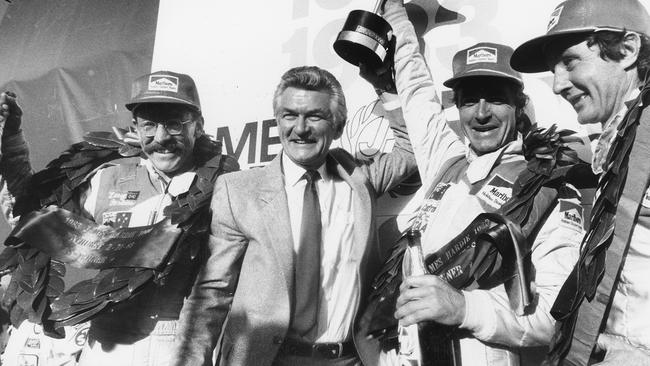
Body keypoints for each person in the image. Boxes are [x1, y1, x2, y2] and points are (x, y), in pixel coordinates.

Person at [359, 1, 591, 365]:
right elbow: (416, 89)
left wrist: (465, 308)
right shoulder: (447, 161)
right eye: (469, 101)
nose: (481, 113)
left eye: (496, 99)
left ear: (519, 105)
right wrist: (396, 16)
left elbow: (557, 317)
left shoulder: (547, 188)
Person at [171, 65, 417, 366]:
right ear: (278, 121)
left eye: (314, 116)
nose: (300, 129)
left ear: (338, 126)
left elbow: (412, 148)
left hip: (349, 360)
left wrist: (385, 87)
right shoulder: (240, 191)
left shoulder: (359, 182)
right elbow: (211, 293)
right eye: (289, 115)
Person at [0, 70, 238, 366]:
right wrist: (10, 142)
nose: (161, 138)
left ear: (198, 126)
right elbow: (35, 213)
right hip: (107, 343)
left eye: (175, 124)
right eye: (150, 124)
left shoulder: (226, 186)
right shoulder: (107, 179)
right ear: (135, 128)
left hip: (179, 342)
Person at [510, 0, 650, 364]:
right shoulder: (622, 137)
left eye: (570, 62)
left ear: (628, 50)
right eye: (553, 68)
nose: (557, 85)